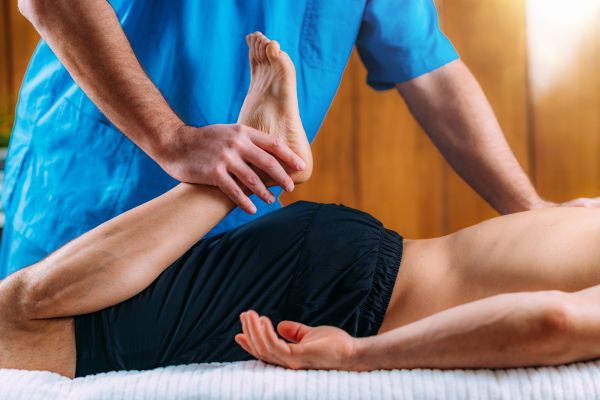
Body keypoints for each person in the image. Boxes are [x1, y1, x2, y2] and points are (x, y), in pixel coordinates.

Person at [1, 33, 600, 378]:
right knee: (15, 322)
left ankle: (266, 155)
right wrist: (357, 354)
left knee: (21, 306)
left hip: (348, 259)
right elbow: (556, 321)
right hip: (343, 295)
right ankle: (266, 156)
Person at [5, 0, 599, 279]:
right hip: (89, 197)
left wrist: (531, 212)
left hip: (235, 225)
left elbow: (432, 71)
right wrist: (172, 138)